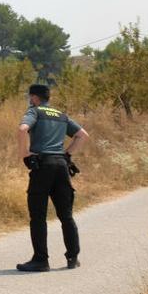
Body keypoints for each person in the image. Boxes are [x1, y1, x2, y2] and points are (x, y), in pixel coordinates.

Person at [16, 84, 90, 272]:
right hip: (61, 166)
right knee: (66, 215)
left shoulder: (35, 112)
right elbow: (82, 135)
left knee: (38, 216)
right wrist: (67, 155)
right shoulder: (61, 115)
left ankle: (41, 260)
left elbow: (23, 129)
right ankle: (72, 257)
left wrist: (24, 155)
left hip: (42, 166)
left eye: (30, 97)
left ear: (34, 98)